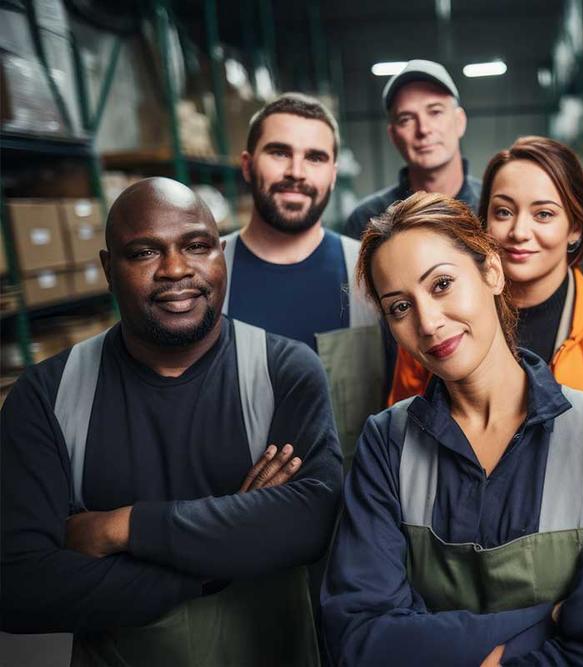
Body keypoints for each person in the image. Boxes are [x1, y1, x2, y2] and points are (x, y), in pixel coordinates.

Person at [0, 178, 342, 666]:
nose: (176, 270)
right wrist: (217, 558)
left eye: (197, 246)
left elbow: (310, 520)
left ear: (221, 254)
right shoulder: (48, 396)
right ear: (107, 270)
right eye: (144, 253)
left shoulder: (282, 371)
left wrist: (122, 528)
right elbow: (18, 585)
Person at [322, 192, 583, 665]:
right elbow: (360, 638)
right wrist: (544, 621)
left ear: (492, 272)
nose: (429, 323)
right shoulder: (386, 443)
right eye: (400, 307)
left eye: (441, 285)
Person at [389, 136, 583, 665]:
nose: (519, 232)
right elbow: (403, 474)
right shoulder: (436, 330)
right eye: (502, 212)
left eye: (544, 213)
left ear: (575, 228)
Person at [224, 92, 382, 462]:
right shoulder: (205, 271)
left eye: (314, 157)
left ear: (332, 173)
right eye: (279, 152)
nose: (296, 171)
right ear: (247, 165)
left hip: (351, 506)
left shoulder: (370, 270)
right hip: (234, 507)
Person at [342, 59, 481, 240]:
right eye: (406, 119)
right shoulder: (367, 219)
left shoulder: (492, 207)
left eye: (435, 112)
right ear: (393, 135)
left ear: (460, 122)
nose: (423, 129)